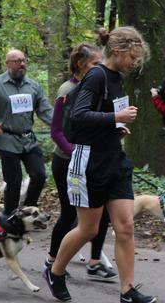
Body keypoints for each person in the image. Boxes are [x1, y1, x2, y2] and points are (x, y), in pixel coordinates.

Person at [44, 26, 157, 303]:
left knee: (126, 226)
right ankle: (55, 271)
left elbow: (102, 119)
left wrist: (116, 128)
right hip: (88, 162)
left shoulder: (117, 78)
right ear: (117, 51)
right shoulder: (96, 75)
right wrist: (115, 116)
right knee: (88, 229)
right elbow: (80, 117)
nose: (135, 63)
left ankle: (128, 291)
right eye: (132, 57)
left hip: (113, 160)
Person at [48, 43, 117, 281]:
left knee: (104, 212)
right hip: (68, 161)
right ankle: (52, 260)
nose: (100, 68)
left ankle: (95, 261)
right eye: (95, 64)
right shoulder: (67, 90)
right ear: (80, 65)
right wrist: (76, 153)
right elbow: (56, 132)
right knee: (69, 214)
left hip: (95, 161)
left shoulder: (100, 87)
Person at [0, 49, 53, 214]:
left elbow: (46, 111)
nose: (22, 64)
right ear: (8, 64)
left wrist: (61, 125)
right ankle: (9, 217)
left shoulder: (33, 86)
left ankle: (27, 210)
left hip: (28, 139)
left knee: (39, 175)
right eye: (17, 61)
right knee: (14, 181)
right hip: (6, 139)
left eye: (24, 60)